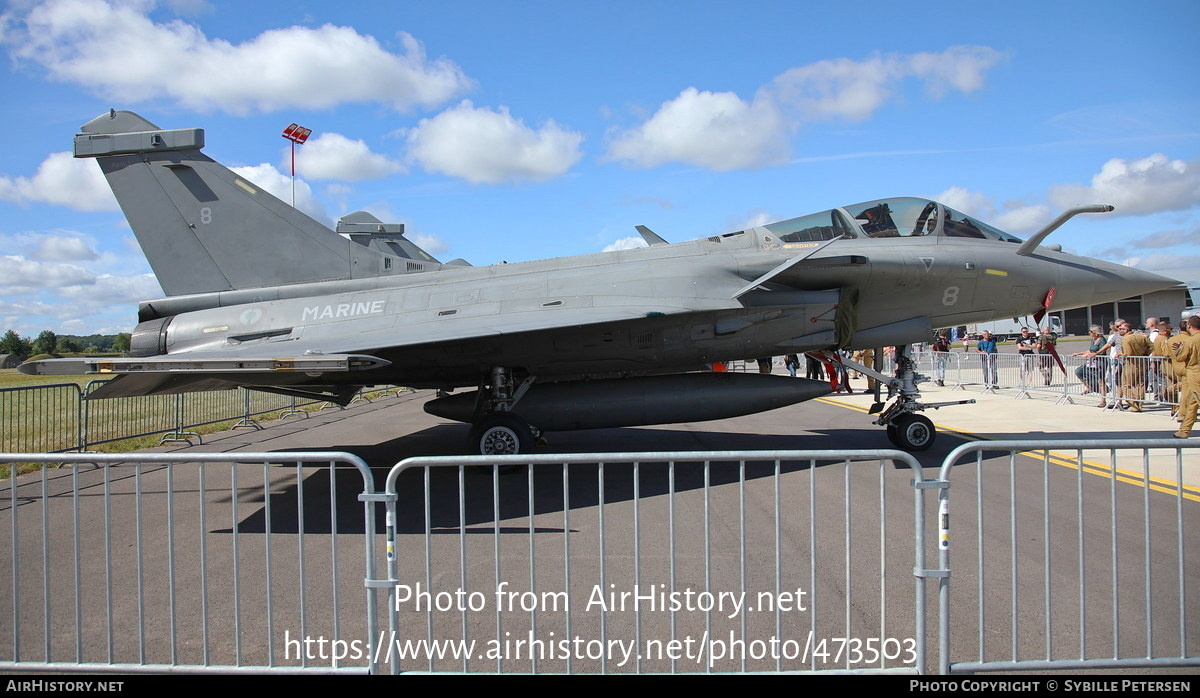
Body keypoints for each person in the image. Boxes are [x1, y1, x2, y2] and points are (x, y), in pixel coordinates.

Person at [1172, 316, 1200, 438]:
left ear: (1189, 326)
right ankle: (1184, 430)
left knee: (1195, 399)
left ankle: (1184, 430)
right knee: (1192, 403)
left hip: (1195, 373)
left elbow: (1180, 357)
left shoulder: (1190, 341)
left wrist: (1179, 349)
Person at [1118, 321, 1152, 412]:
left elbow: (1128, 353)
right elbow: (1152, 346)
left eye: (1121, 329)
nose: (1119, 330)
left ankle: (1133, 404)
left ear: (1126, 330)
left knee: (1127, 384)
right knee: (1140, 384)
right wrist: (1145, 354)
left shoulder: (1126, 339)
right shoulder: (1141, 337)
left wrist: (1120, 353)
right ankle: (1140, 403)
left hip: (1131, 363)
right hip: (1141, 362)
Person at [1073, 325, 1108, 405]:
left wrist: (1092, 354)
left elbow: (1102, 352)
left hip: (1100, 362)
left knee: (1100, 380)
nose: (1089, 333)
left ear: (1096, 333)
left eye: (1091, 331)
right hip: (1092, 361)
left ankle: (1103, 400)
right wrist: (1079, 353)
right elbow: (1090, 350)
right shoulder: (1093, 339)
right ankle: (1090, 387)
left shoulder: (1102, 340)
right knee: (1079, 371)